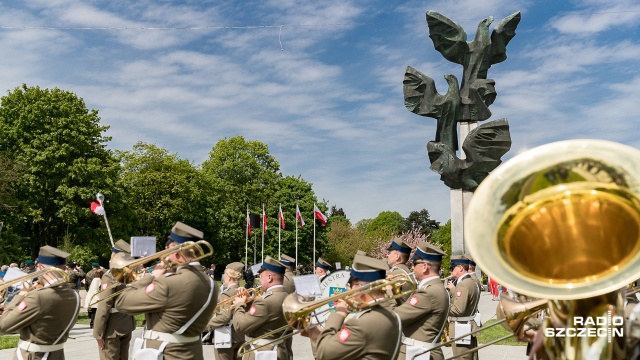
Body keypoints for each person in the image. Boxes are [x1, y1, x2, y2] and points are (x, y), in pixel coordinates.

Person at [115, 222, 217, 360]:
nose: (165, 255)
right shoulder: (211, 283)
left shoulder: (169, 283)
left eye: (167, 249)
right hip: (193, 352)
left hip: (166, 353)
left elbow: (122, 302)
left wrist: (152, 276)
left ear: (176, 249)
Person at [303, 253, 403, 360]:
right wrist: (320, 335)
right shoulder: (390, 313)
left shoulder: (361, 323)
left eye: (351, 285)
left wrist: (339, 313)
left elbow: (324, 354)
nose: (349, 290)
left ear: (360, 288)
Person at [0, 245, 81, 359]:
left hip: (33, 355)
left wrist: (20, 295)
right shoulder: (74, 294)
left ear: (40, 267)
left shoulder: (38, 296)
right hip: (57, 354)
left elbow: (3, 325)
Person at [392, 241, 449, 360]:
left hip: (418, 353)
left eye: (414, 263)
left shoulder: (428, 292)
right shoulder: (435, 288)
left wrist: (386, 291)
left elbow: (395, 317)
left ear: (424, 267)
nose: (412, 267)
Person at [232, 256, 290, 360]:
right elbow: (265, 316)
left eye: (261, 276)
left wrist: (239, 304)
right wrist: (250, 301)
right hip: (279, 349)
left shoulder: (264, 301)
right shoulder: (286, 295)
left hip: (262, 352)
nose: (260, 280)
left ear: (269, 277)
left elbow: (240, 327)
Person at [93, 240, 136, 360]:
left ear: (114, 255)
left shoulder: (110, 275)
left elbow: (104, 305)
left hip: (112, 329)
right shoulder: (130, 274)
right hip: (126, 323)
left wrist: (98, 332)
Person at [206, 262, 245, 360]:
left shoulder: (227, 294)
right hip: (239, 336)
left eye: (225, 274)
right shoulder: (242, 291)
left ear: (229, 277)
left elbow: (224, 317)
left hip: (226, 336)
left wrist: (205, 325)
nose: (224, 276)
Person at [446, 255, 481, 360]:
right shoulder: (471, 282)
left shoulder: (463, 284)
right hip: (467, 327)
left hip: (460, 329)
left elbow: (458, 310)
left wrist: (442, 307)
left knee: (462, 358)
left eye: (453, 268)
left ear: (460, 268)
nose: (451, 271)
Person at [386, 237, 416, 304]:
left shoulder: (395, 273)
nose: (387, 255)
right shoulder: (406, 271)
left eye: (389, 253)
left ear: (397, 256)